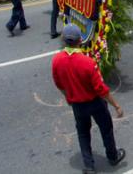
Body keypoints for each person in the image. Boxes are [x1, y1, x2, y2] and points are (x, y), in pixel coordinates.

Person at [51, 24, 126, 174]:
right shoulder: (87, 62)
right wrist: (116, 105)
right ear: (80, 40)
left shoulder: (57, 60)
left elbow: (59, 84)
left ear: (63, 40)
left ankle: (89, 166)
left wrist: (68, 98)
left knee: (83, 133)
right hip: (95, 103)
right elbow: (101, 89)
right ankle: (112, 156)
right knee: (106, 128)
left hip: (77, 105)